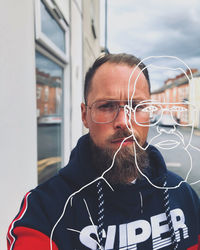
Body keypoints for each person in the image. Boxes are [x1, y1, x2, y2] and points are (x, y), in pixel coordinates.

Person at [7, 53, 200, 250]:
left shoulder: (184, 196)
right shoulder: (44, 212)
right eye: (107, 106)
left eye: (136, 106)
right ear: (85, 115)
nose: (123, 122)